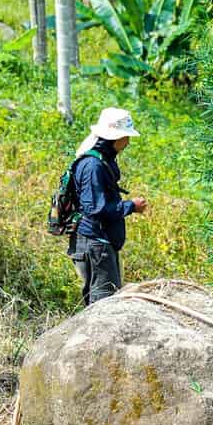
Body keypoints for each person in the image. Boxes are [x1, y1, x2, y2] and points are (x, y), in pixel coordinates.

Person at [68, 108, 149, 307]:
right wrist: (131, 206)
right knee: (103, 306)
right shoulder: (93, 166)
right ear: (116, 137)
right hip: (95, 245)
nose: (128, 143)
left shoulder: (100, 162)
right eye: (126, 137)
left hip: (97, 244)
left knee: (100, 302)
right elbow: (97, 209)